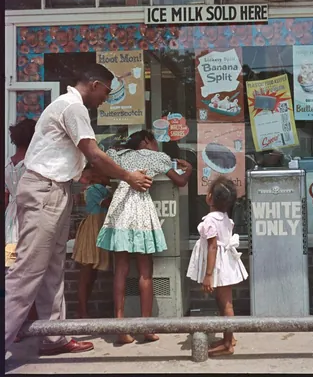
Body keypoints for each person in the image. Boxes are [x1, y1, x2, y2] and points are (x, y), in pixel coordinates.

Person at [5, 64, 153, 355]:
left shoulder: (66, 106)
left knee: (52, 269)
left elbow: (81, 162)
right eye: (107, 92)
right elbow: (93, 153)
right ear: (94, 84)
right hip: (45, 190)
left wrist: (94, 176)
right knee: (27, 271)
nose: (106, 99)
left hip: (54, 189)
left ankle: (54, 337)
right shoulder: (73, 107)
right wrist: (129, 176)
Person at [96, 130, 193, 345]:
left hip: (120, 208)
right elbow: (180, 181)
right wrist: (189, 169)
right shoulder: (157, 158)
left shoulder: (119, 156)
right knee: (145, 270)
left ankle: (120, 327)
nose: (158, 146)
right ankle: (147, 327)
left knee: (120, 267)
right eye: (155, 141)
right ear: (147, 141)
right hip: (140, 209)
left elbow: (102, 163)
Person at [187, 176, 248, 357]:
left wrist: (208, 275)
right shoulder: (224, 218)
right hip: (225, 264)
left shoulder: (210, 221)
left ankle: (228, 344)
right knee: (223, 303)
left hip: (218, 267)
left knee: (226, 304)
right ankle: (229, 337)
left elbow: (212, 247)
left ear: (210, 197)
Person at [5, 118, 38, 342]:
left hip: (10, 223)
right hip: (29, 219)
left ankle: (14, 326)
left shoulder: (7, 164)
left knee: (12, 269)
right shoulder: (34, 164)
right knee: (32, 272)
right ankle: (29, 322)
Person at [72, 170, 112, 319]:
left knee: (91, 274)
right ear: (97, 176)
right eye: (108, 174)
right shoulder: (94, 190)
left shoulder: (101, 189)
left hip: (99, 228)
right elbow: (108, 204)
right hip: (93, 230)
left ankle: (83, 309)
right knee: (87, 272)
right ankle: (81, 310)